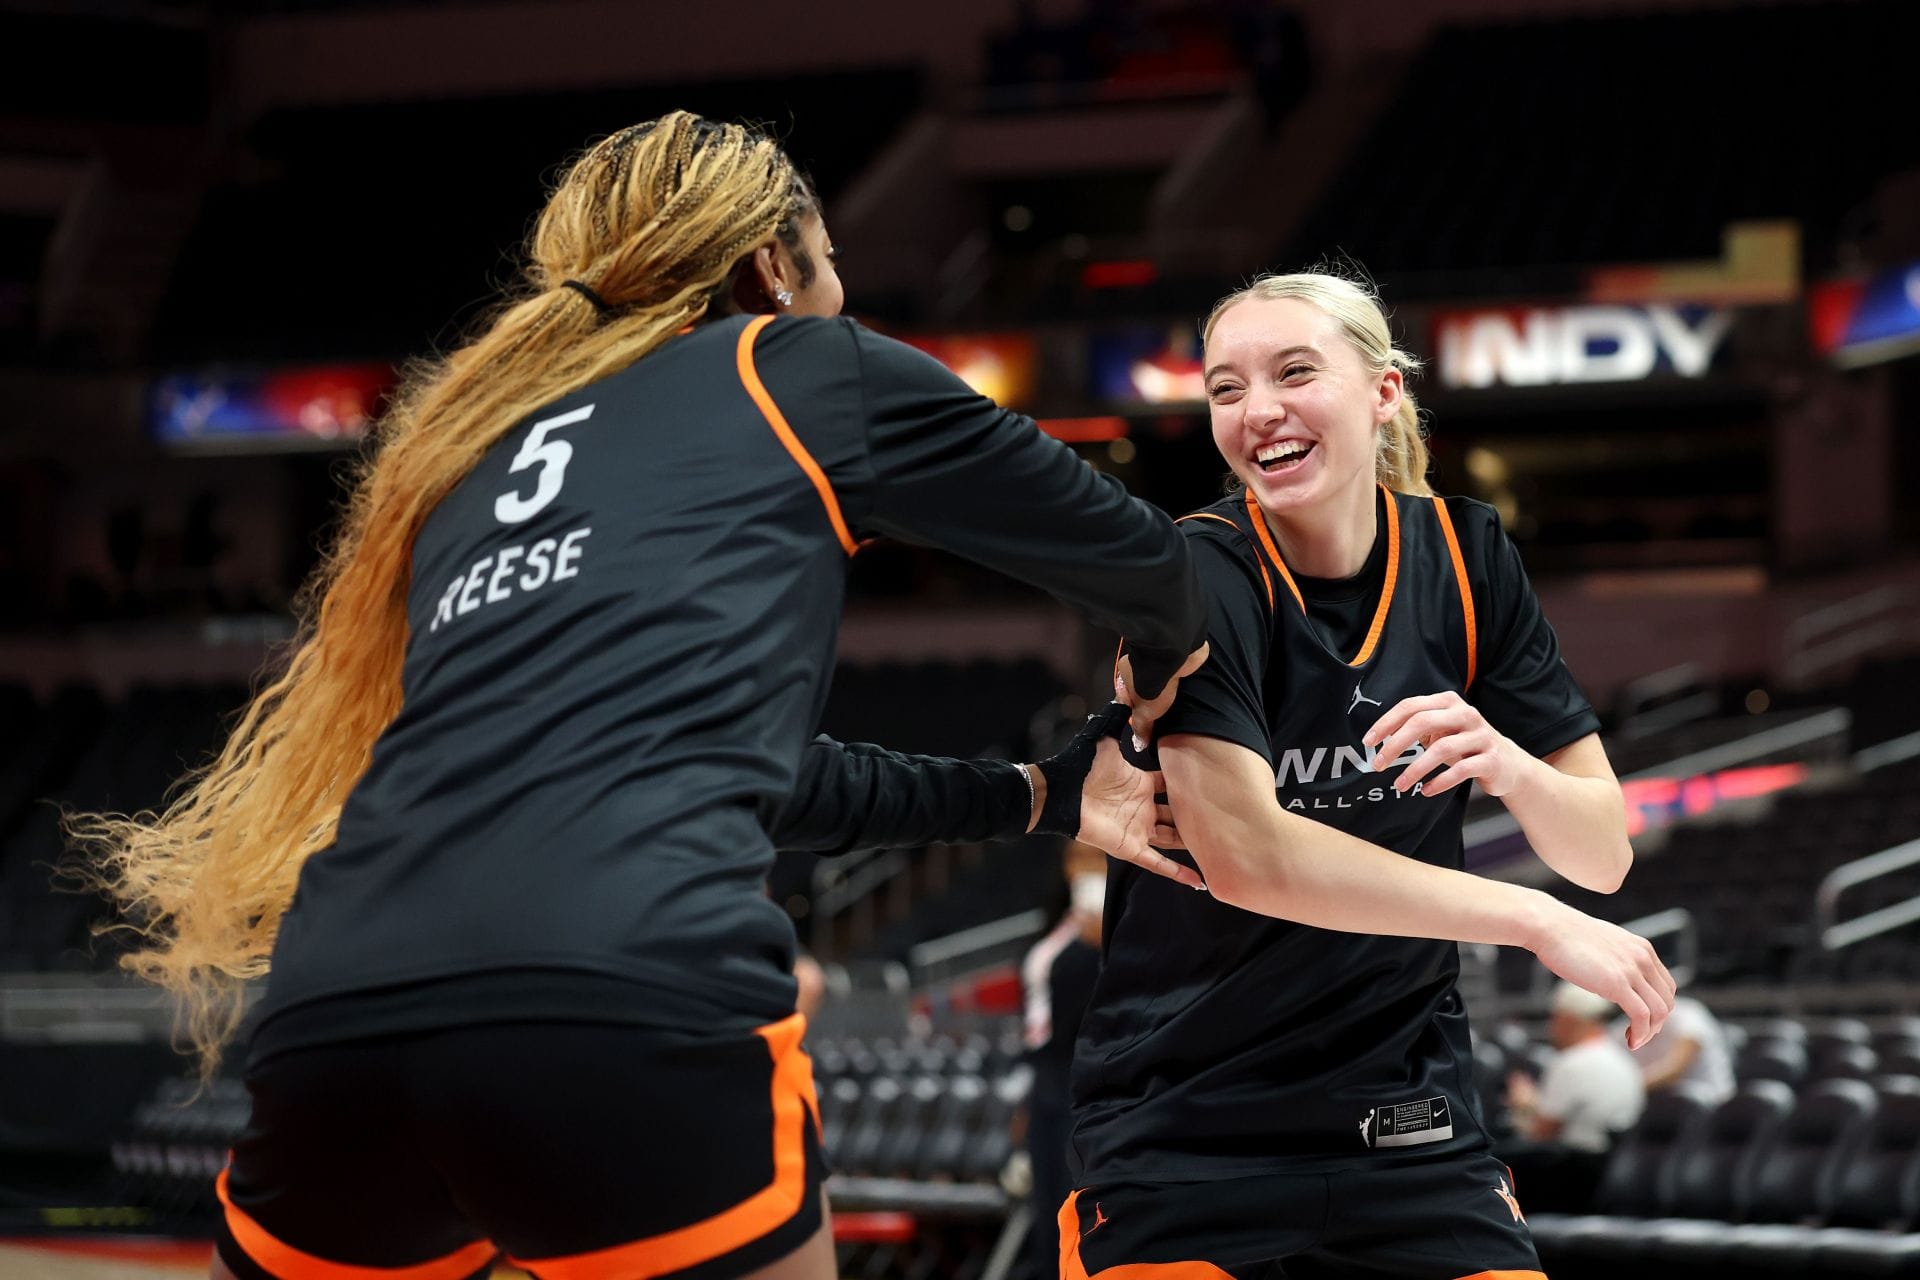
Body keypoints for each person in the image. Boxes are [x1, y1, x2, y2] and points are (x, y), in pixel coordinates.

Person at [73, 112, 1209, 1280]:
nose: (840, 290)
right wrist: (1171, 673)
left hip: (339, 1005)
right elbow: (1147, 563)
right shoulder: (797, 366)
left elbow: (758, 776)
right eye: (827, 259)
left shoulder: (471, 453)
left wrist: (1038, 795)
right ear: (770, 268)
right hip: (621, 986)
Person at [1070, 271, 1676, 1280]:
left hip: (1407, 1124)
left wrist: (1509, 765)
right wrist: (1532, 917)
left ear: (1383, 390)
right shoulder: (1195, 573)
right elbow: (1250, 857)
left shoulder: (1468, 555)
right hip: (1186, 1131)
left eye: (1294, 372)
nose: (1259, 409)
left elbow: (1602, 853)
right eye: (1226, 388)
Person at [1019, 843, 1108, 1280]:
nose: (1081, 868)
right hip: (1045, 1079)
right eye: (1075, 857)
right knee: (1045, 1206)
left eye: (1093, 857)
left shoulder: (1112, 930)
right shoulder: (1058, 922)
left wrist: (1101, 944)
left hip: (1083, 1083)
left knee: (1072, 1205)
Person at [1503, 982, 1649, 1210]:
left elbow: (1542, 1133)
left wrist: (1524, 1106)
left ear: (1567, 1020)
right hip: (1613, 1171)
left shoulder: (1571, 1063)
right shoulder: (1622, 1060)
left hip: (1573, 1175)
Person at [1623, 988, 1735, 1104]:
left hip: (1710, 1101)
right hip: (1661, 1100)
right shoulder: (1625, 1025)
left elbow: (1674, 1071)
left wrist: (1626, 1087)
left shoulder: (1688, 1014)